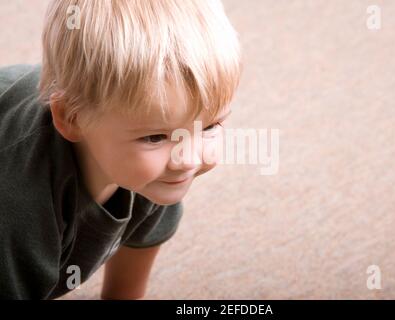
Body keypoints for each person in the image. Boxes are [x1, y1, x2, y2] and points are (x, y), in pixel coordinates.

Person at [0, 0, 241, 299]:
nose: (187, 160)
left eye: (208, 127)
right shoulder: (19, 209)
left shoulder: (154, 173)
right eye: (155, 138)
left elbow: (125, 293)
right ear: (71, 117)